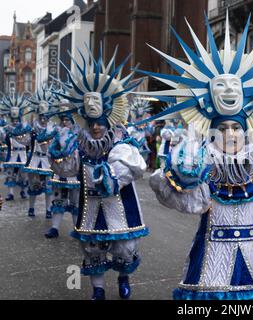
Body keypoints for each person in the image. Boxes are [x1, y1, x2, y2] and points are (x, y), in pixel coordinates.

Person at [143, 11, 253, 300]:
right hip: (210, 260)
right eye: (223, 128)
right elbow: (181, 197)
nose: (231, 134)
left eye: (237, 127)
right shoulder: (204, 165)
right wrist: (185, 167)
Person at [51, 45, 149, 299]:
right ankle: (98, 289)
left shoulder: (121, 145)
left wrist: (112, 175)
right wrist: (57, 153)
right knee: (91, 248)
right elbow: (69, 169)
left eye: (100, 124)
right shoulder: (80, 146)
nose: (95, 128)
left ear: (108, 122)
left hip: (120, 209)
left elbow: (137, 168)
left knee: (124, 247)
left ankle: (123, 277)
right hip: (91, 209)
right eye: (91, 124)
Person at [45, 99, 80, 238]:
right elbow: (51, 150)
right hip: (60, 173)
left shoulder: (80, 134)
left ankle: (77, 229)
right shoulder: (58, 133)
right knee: (58, 200)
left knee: (76, 202)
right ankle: (55, 228)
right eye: (63, 119)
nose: (65, 122)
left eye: (68, 119)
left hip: (75, 174)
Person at [23, 85, 57, 218]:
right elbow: (26, 142)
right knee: (33, 186)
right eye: (41, 116)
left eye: (46, 117)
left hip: (48, 161)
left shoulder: (53, 129)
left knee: (49, 188)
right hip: (35, 160)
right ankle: (31, 208)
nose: (43, 119)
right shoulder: (32, 129)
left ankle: (48, 210)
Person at [0, 93, 31, 201]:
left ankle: (24, 191)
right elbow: (4, 139)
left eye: (17, 119)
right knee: (10, 173)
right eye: (13, 120)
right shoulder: (7, 128)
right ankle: (11, 193)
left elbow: (28, 141)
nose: (15, 122)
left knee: (24, 175)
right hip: (12, 153)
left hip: (22, 153)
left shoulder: (25, 127)